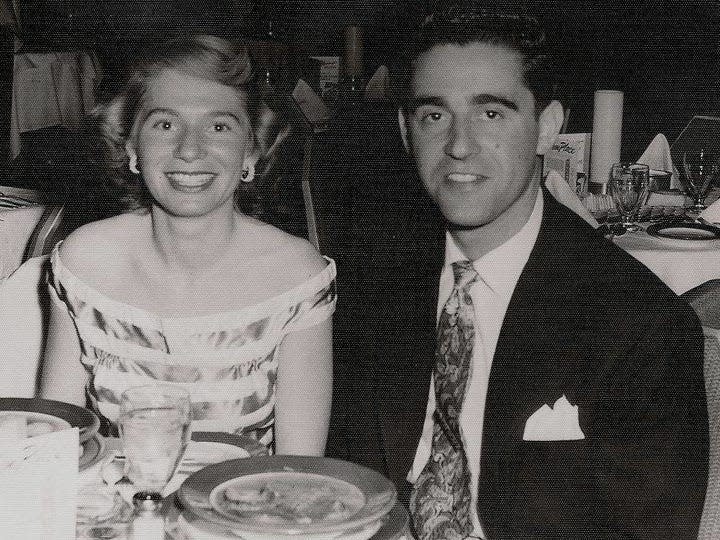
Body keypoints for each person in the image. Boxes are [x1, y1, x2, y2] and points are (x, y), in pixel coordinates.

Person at [328, 7, 708, 539]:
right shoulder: (373, 286)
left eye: (491, 114)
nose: (458, 146)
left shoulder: (639, 323)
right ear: (405, 131)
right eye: (434, 116)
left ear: (547, 127)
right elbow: (332, 476)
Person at [40, 35, 335, 456]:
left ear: (250, 150)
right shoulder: (84, 263)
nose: (190, 149)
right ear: (132, 149)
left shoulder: (296, 275)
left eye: (219, 126)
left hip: (249, 515)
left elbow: (299, 469)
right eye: (165, 124)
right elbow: (58, 447)